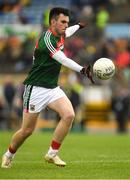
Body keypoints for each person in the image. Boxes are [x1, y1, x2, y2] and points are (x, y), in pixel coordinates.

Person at [1, 7, 94, 168]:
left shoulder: (61, 34)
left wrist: (78, 25)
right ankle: (8, 154)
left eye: (67, 22)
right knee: (27, 131)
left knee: (69, 115)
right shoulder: (47, 40)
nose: (66, 25)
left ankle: (52, 154)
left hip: (51, 88)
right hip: (35, 88)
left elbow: (68, 32)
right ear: (52, 22)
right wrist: (82, 70)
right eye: (63, 22)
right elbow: (63, 59)